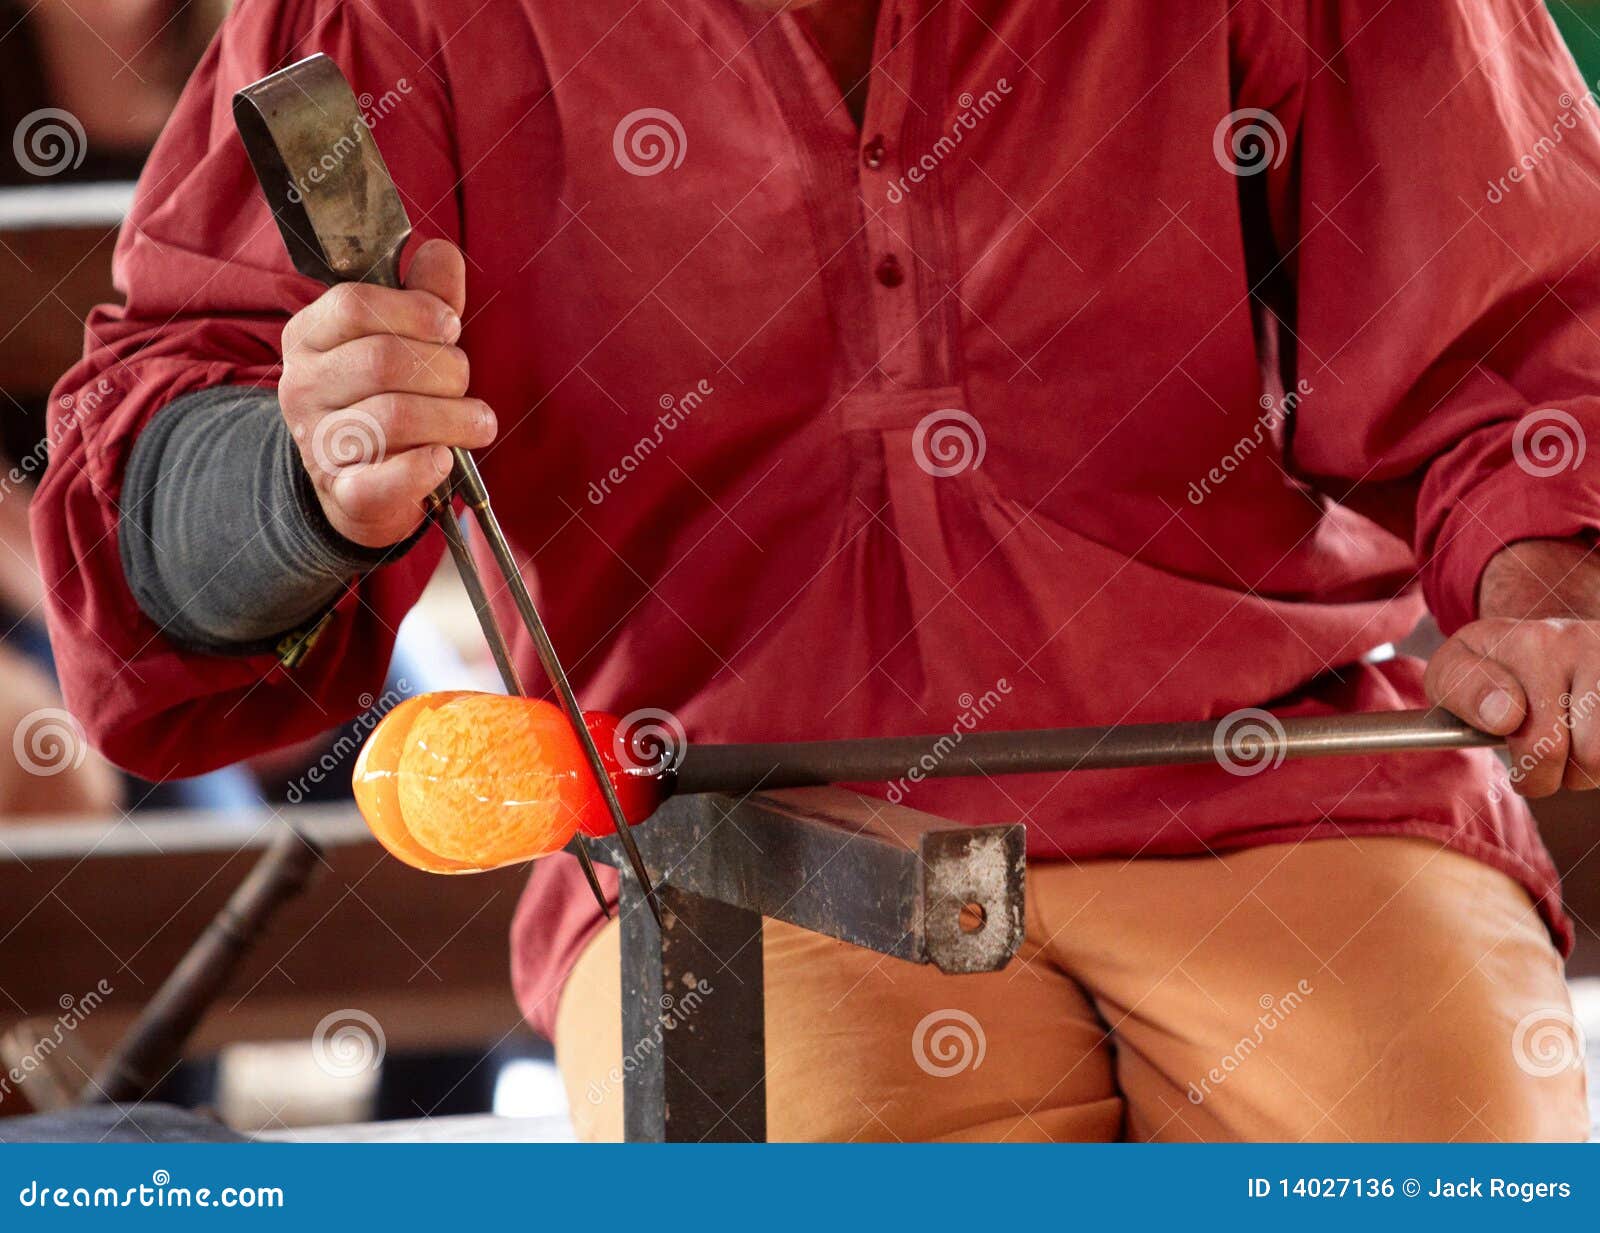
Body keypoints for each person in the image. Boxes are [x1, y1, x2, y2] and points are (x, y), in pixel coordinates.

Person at [31, 0, 1600, 1140]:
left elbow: (1523, 336)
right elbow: (161, 465)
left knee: (1443, 1175)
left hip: (1281, 783)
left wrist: (1548, 589)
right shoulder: (386, 16)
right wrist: (302, 478)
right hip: (731, 845)